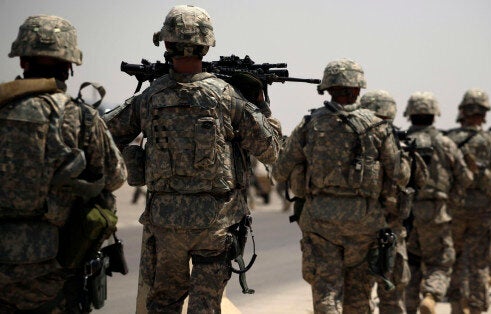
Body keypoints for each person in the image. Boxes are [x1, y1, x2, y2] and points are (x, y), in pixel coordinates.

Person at [104, 5, 282, 313]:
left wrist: (134, 159)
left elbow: (102, 136)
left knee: (163, 304)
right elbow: (271, 151)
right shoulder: (227, 96)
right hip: (215, 224)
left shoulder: (149, 98)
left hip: (165, 223)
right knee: (205, 307)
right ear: (207, 44)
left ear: (167, 45)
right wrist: (261, 105)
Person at [0, 14, 126, 313]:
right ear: (70, 66)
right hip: (53, 265)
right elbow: (117, 176)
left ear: (22, 61)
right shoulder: (80, 118)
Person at [272, 59, 409, 313]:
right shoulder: (379, 126)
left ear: (328, 88)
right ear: (358, 89)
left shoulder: (309, 123)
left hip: (321, 222)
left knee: (327, 290)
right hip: (366, 224)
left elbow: (279, 171)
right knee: (358, 297)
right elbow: (400, 175)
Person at [445, 89, 491, 314]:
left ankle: (457, 304)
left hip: (454, 208)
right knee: (478, 261)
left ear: (462, 111)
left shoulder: (449, 139)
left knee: (454, 258)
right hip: (483, 211)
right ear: (484, 114)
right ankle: (475, 306)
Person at [401, 92, 473, 314]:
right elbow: (465, 178)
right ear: (434, 116)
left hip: (405, 213)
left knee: (411, 263)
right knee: (440, 262)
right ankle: (431, 295)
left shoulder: (400, 141)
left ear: (410, 114)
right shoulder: (445, 143)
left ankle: (410, 307)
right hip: (436, 212)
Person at [360, 89, 418, 314]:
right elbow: (411, 178)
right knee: (392, 296)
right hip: (390, 229)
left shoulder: (350, 138)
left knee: (359, 295)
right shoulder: (396, 142)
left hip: (357, 227)